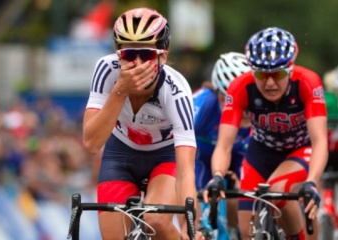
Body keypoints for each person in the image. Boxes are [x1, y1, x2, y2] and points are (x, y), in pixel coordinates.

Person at [82, 7, 203, 240]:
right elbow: (91, 143)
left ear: (163, 56)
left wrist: (191, 227)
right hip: (121, 154)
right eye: (128, 55)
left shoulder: (176, 91)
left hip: (165, 157)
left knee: (154, 219)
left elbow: (186, 170)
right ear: (118, 54)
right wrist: (120, 91)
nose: (137, 64)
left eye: (146, 55)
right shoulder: (106, 70)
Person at [203, 27, 328, 240]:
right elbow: (224, 145)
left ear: (290, 68)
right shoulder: (240, 87)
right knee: (247, 232)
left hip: (299, 151)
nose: (269, 83)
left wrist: (312, 181)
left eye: (277, 74)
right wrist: (216, 177)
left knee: (277, 190)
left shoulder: (308, 82)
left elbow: (319, 141)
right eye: (261, 74)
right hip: (260, 154)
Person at [193, 52, 251, 239]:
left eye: (245, 101)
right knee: (200, 206)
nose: (241, 110)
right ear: (218, 95)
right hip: (203, 160)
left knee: (243, 200)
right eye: (229, 100)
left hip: (239, 156)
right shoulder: (205, 103)